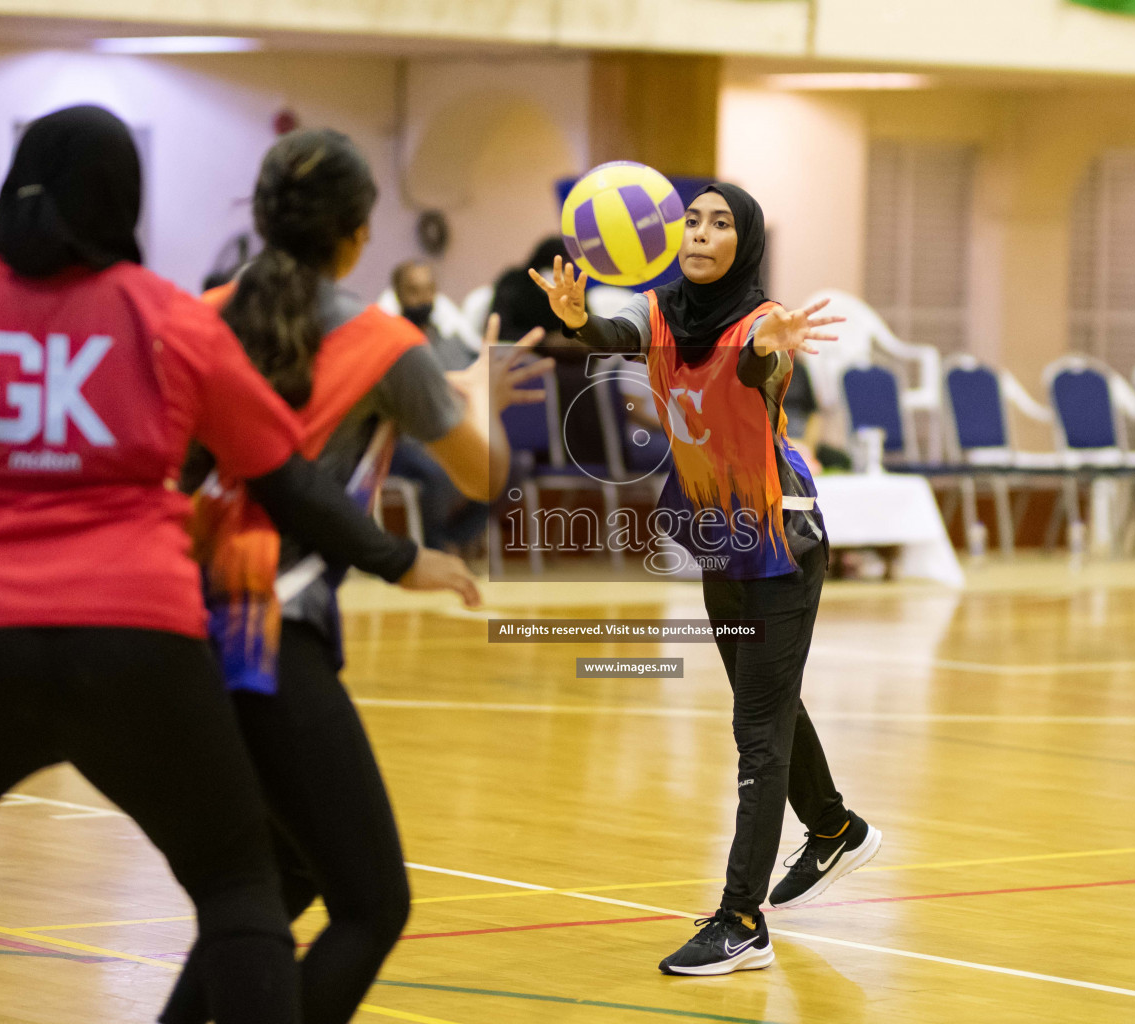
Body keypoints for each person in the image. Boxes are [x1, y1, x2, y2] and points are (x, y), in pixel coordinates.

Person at [0, 105, 474, 1023]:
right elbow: (285, 481)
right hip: (136, 641)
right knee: (238, 891)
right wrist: (398, 561)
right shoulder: (167, 318)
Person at [161, 128, 548, 1024]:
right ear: (359, 234)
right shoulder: (387, 344)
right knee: (373, 906)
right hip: (265, 630)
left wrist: (448, 390)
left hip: (164, 620)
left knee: (269, 884)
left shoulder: (201, 313)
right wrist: (478, 397)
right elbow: (484, 477)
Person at [531, 183, 881, 976]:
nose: (700, 232)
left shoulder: (760, 321)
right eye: (692, 220)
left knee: (756, 736)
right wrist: (577, 316)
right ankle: (832, 830)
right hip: (719, 534)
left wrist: (775, 342)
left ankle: (740, 919)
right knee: (766, 704)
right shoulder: (661, 313)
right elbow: (615, 336)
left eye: (720, 224)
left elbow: (764, 356)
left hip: (780, 538)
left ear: (744, 242)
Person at [384, 260, 492, 553]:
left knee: (503, 466)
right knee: (438, 471)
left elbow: (469, 393)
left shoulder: (451, 345)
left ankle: (451, 537)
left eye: (428, 290)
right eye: (413, 291)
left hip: (449, 435)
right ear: (397, 294)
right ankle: (434, 545)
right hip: (401, 444)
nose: (422, 299)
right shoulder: (385, 343)